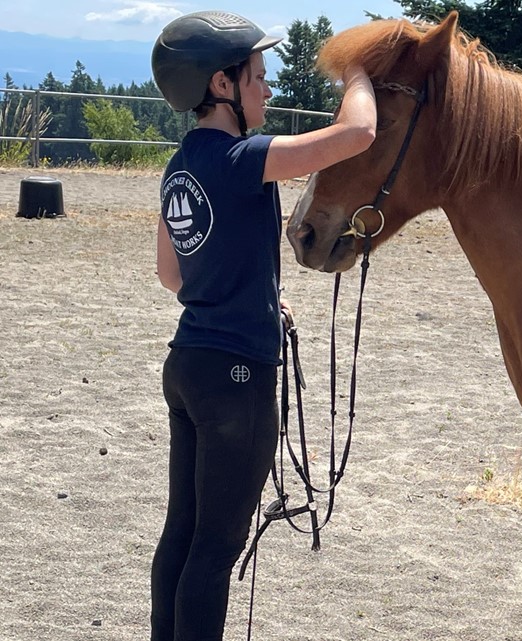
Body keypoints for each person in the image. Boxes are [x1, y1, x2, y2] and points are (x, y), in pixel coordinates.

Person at [148, 10, 376, 641]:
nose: (267, 89)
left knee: (182, 535)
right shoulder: (242, 157)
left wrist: (249, 294)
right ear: (222, 86)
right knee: (217, 549)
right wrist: (359, 68)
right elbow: (357, 134)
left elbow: (173, 276)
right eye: (257, 76)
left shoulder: (180, 167)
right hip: (236, 377)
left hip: (188, 362)